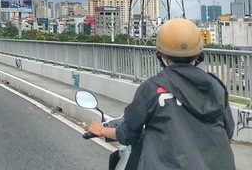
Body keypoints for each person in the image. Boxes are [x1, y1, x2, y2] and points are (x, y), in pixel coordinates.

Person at [86, 18, 236, 169]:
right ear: (198, 55)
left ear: (162, 54)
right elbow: (228, 131)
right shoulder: (216, 86)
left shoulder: (152, 88)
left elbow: (129, 133)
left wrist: (102, 130)